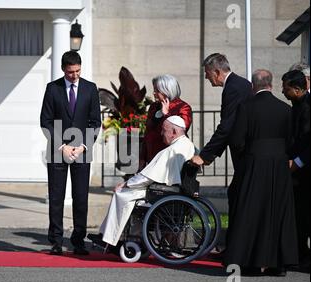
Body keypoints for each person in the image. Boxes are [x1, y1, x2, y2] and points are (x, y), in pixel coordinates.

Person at [226, 69, 298, 276]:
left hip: (254, 163)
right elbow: (292, 141)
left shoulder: (246, 107)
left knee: (251, 212)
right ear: (272, 84)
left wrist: (246, 157)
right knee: (278, 211)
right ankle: (278, 264)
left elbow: (237, 140)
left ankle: (250, 263)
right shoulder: (285, 109)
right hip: (279, 164)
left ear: (253, 86)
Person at [89, 116, 196, 247]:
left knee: (121, 194)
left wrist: (126, 183)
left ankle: (110, 239)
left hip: (162, 191)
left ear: (173, 132)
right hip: (171, 190)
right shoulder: (188, 144)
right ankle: (109, 235)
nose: (161, 134)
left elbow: (147, 177)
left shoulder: (171, 150)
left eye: (164, 130)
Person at [40, 51, 101, 256]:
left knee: (80, 197)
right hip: (58, 151)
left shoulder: (90, 89)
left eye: (77, 71)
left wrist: (83, 146)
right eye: (70, 72)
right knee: (56, 197)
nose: (74, 75)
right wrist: (62, 145)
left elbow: (95, 122)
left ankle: (78, 241)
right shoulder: (52, 89)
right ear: (63, 69)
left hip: (82, 151)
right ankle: (56, 241)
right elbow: (46, 121)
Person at [190, 53, 252, 250]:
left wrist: (205, 156)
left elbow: (226, 127)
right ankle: (234, 247)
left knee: (238, 197)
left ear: (217, 71)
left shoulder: (233, 88)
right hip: (245, 151)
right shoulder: (238, 85)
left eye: (208, 74)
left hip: (246, 153)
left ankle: (236, 249)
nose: (207, 78)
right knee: (237, 195)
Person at [282, 69, 310, 271]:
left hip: (304, 171)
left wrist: (297, 162)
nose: (283, 92)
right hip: (297, 170)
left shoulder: (308, 108)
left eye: (286, 89)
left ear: (298, 90)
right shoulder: (296, 107)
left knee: (303, 215)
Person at [140, 74, 192, 169]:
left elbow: (181, 130)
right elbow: (147, 133)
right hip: (152, 157)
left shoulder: (183, 107)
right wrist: (142, 159)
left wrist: (167, 114)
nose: (154, 93)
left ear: (167, 90)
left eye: (157, 90)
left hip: (170, 159)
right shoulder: (154, 107)